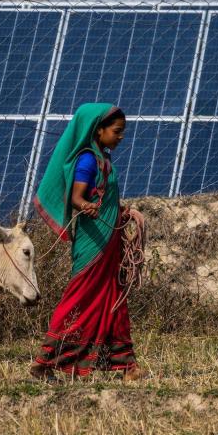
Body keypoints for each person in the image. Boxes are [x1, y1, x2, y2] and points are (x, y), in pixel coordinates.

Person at [30, 103, 146, 383]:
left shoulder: (103, 160)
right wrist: (86, 206)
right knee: (80, 296)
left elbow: (102, 196)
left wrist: (120, 212)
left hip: (108, 239)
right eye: (116, 132)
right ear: (99, 130)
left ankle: (124, 365)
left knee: (113, 298)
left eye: (122, 132)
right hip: (92, 242)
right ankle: (46, 362)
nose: (121, 137)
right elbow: (77, 197)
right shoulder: (87, 161)